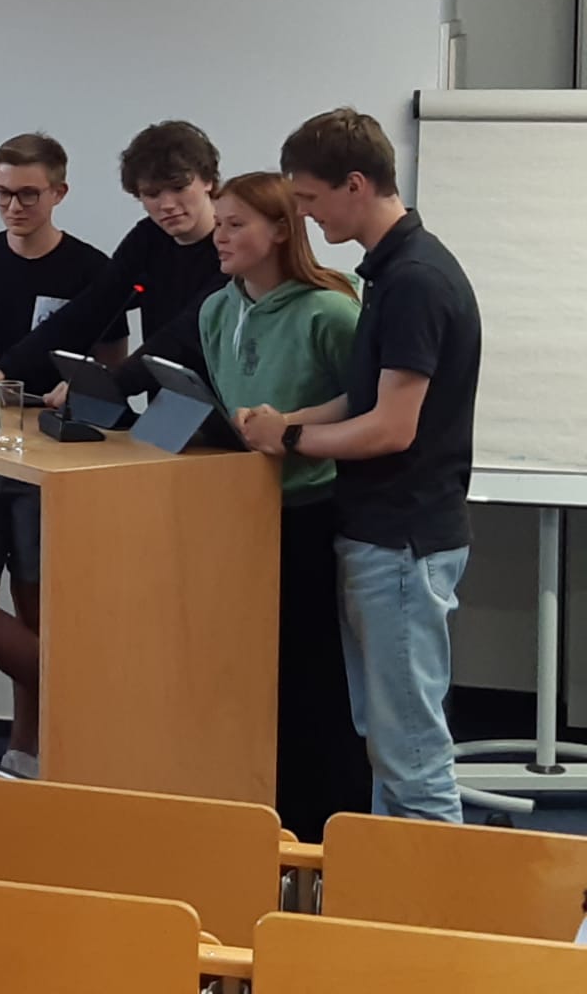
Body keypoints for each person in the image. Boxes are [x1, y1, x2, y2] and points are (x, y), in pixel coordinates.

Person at [240, 109, 481, 823]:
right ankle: (386, 887)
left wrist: (290, 440)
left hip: (401, 539)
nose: (304, 216)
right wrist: (288, 423)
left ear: (355, 183)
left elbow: (389, 429)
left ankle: (433, 894)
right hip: (382, 533)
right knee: (385, 742)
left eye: (310, 199)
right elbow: (366, 396)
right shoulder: (388, 270)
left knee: (411, 755)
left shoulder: (415, 280)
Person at [0, 132, 126, 777]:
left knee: (40, 612)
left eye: (28, 194)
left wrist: (80, 386)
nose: (13, 206)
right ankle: (93, 699)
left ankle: (27, 754)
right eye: (2, 193)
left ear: (59, 193)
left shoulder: (93, 269)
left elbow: (112, 370)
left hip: (51, 456)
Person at [199, 171, 370, 842]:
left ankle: (328, 832)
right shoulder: (218, 310)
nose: (219, 236)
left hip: (311, 510)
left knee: (313, 678)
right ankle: (267, 822)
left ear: (279, 230)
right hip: (243, 512)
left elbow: (369, 399)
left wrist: (289, 426)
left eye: (235, 224)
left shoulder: (330, 312)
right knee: (256, 678)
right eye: (218, 223)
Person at [0, 119, 226, 399]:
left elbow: (184, 335)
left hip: (226, 405)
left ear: (208, 180)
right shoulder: (148, 238)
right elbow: (90, 308)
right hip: (167, 403)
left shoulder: (232, 245)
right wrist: (4, 371)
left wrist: (104, 384)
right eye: (152, 194)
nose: (167, 204)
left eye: (179, 187)